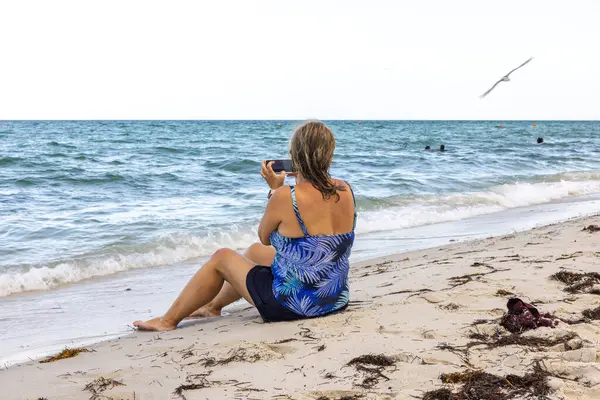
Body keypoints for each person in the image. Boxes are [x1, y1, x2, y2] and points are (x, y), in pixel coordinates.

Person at [133, 121, 357, 331]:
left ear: (296, 156)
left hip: (292, 306)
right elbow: (318, 242)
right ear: (329, 154)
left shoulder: (286, 196)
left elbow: (265, 236)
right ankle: (212, 307)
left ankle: (167, 321)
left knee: (222, 257)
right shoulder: (346, 189)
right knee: (254, 253)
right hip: (333, 299)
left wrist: (274, 191)